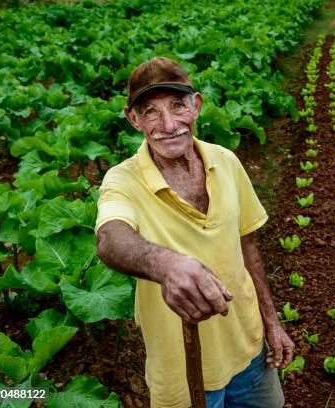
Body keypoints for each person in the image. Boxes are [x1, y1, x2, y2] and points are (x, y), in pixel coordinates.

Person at [95, 56, 294, 408]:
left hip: (250, 349)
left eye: (177, 105)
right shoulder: (122, 181)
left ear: (196, 105)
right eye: (151, 111)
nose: (169, 124)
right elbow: (111, 238)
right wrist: (166, 264)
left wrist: (271, 322)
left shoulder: (226, 161)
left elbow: (247, 244)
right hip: (185, 373)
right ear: (133, 119)